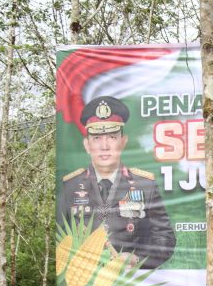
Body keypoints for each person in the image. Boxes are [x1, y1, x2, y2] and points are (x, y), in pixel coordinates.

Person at [57, 95, 176, 271]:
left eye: (112, 137)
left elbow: (165, 238)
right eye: (97, 138)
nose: (104, 146)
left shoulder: (145, 185)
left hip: (129, 285)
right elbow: (58, 238)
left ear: (123, 141)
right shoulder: (70, 186)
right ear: (87, 144)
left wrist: (138, 259)